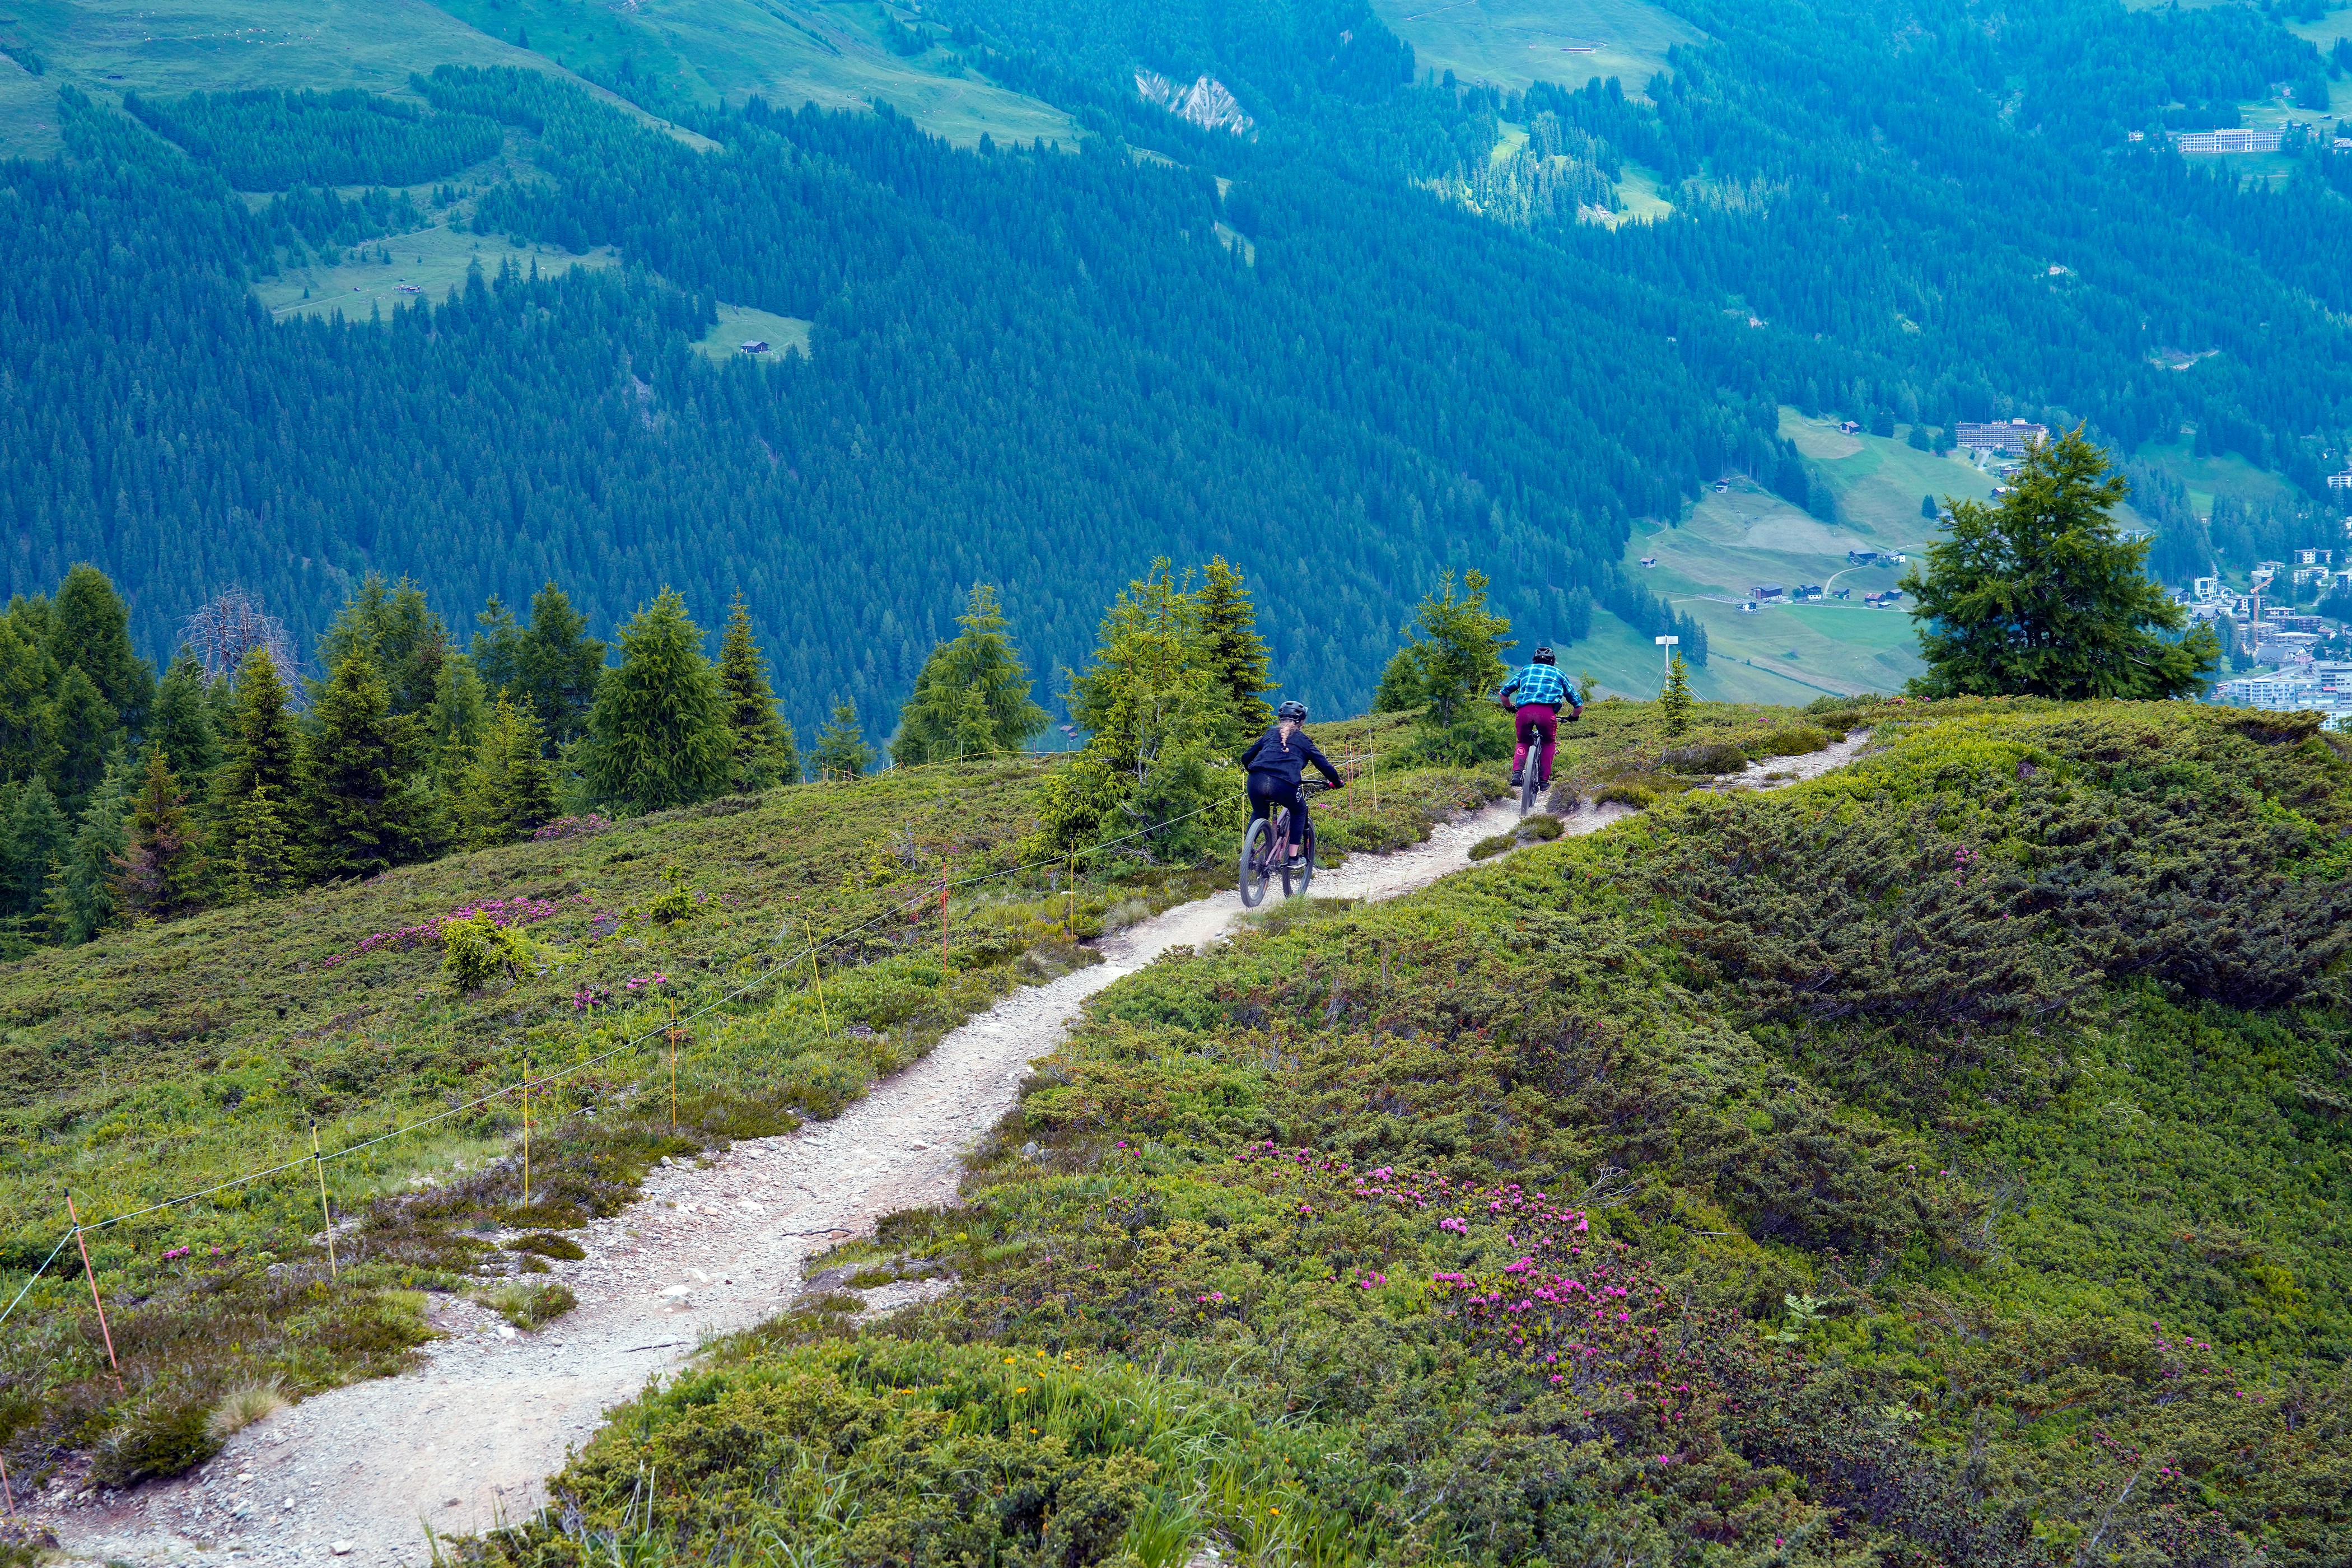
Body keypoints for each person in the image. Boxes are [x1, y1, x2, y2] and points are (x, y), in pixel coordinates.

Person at [1239, 699, 1343, 866]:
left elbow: (1246, 757)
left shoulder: (1269, 734)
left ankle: (1248, 853)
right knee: (1300, 810)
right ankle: (1294, 858)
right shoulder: (1304, 741)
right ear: (1302, 721)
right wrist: (1336, 782)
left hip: (1256, 780)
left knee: (1259, 812)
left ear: (1280, 718)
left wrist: (1250, 768)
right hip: (1284, 784)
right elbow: (1325, 766)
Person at [1496, 647, 1581, 789]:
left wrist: (1510, 707)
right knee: (1548, 743)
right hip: (1547, 713)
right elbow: (1578, 705)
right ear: (1553, 661)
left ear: (1534, 660)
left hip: (1524, 711)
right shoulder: (1559, 674)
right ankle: (1543, 781)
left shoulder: (1525, 670)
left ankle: (1517, 774)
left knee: (1523, 740)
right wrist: (1573, 717)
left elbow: (1503, 694)